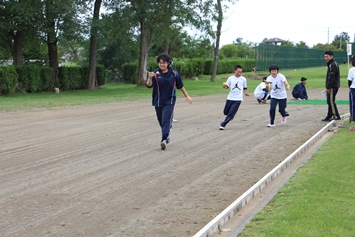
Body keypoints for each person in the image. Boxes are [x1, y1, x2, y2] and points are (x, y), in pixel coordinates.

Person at [146, 53, 192, 150]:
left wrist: (187, 95)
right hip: (158, 101)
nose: (161, 64)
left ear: (168, 63)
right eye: (160, 62)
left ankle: (164, 140)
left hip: (169, 101)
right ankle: (167, 133)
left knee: (166, 120)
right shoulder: (156, 73)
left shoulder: (174, 74)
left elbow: (180, 86)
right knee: (161, 121)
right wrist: (150, 77)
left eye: (163, 63)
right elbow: (149, 85)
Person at [219, 65, 250, 130]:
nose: (239, 73)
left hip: (238, 99)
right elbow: (227, 86)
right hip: (230, 98)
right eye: (238, 72)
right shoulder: (230, 78)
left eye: (240, 72)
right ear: (235, 71)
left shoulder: (243, 79)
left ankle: (223, 124)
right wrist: (224, 86)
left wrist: (245, 92)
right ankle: (231, 115)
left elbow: (245, 87)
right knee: (225, 112)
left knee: (230, 113)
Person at [322, 50, 341, 122]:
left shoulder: (333, 65)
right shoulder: (331, 64)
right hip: (333, 86)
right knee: (329, 101)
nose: (325, 58)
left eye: (327, 56)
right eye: (325, 57)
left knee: (331, 101)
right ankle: (329, 116)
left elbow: (331, 77)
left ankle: (336, 116)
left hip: (333, 86)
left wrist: (328, 87)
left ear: (331, 56)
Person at [347, 55, 355, 123]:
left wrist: (349, 87)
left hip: (353, 89)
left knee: (353, 104)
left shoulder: (351, 70)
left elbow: (349, 81)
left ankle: (353, 118)